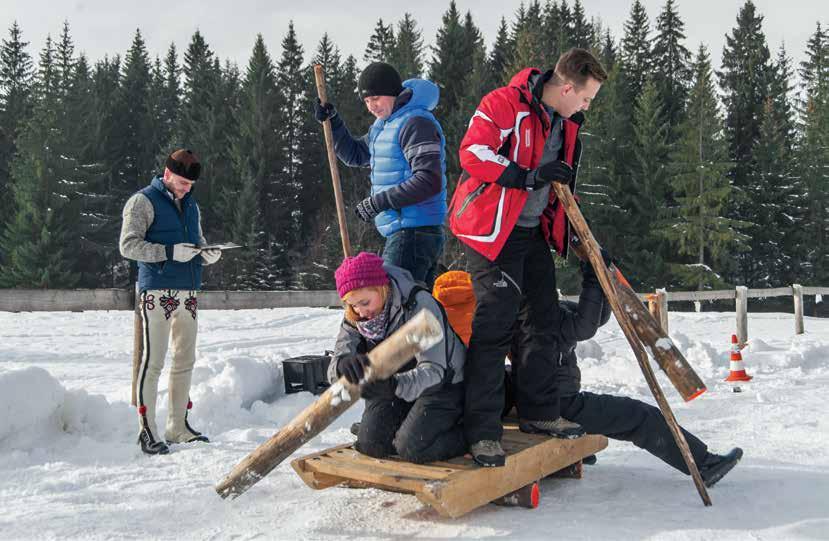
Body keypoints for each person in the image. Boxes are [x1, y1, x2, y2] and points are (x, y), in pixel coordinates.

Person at [448, 48, 607, 467]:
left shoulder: (567, 121)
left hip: (532, 229)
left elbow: (559, 184)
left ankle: (539, 413)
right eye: (587, 98)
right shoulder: (503, 103)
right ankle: (481, 431)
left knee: (542, 320)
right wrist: (526, 176)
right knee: (495, 324)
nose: (587, 107)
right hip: (490, 231)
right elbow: (472, 153)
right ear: (568, 87)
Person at [505, 255, 744, 488]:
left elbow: (595, 318)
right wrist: (592, 276)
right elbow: (585, 326)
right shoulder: (539, 317)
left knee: (626, 414)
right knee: (640, 416)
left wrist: (603, 282)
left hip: (547, 400)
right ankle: (703, 465)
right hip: (557, 405)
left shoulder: (526, 310)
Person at [119, 149, 222, 455]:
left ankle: (177, 425)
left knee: (185, 361)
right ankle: (147, 430)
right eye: (181, 182)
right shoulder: (142, 201)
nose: (185, 188)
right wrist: (167, 252)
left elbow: (198, 241)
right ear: (166, 174)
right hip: (157, 291)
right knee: (153, 362)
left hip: (189, 291)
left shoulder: (192, 206)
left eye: (190, 185)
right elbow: (128, 245)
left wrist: (208, 253)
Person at [314, 62, 447, 289]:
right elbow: (355, 155)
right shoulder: (383, 127)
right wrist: (334, 122)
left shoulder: (415, 123)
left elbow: (428, 180)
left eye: (375, 98)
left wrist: (378, 202)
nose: (371, 106)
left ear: (392, 92)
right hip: (405, 230)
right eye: (366, 101)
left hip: (416, 231)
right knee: (413, 310)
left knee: (395, 304)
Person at [328, 252, 466, 464]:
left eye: (365, 302)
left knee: (411, 448)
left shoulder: (419, 304)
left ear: (381, 288)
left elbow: (434, 370)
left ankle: (469, 431)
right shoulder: (355, 316)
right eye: (354, 305)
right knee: (370, 444)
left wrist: (394, 386)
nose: (361, 312)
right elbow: (340, 353)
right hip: (396, 385)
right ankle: (408, 422)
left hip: (443, 385)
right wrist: (343, 365)